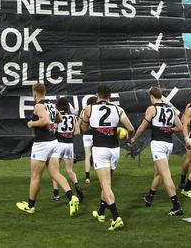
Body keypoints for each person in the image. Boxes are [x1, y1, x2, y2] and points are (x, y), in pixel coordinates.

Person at [16, 83, 79, 216]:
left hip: (42, 144)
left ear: (34, 93)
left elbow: (44, 120)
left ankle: (30, 206)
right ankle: (71, 197)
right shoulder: (51, 104)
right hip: (53, 142)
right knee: (55, 174)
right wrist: (52, 124)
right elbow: (60, 118)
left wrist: (31, 123)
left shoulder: (39, 105)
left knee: (35, 176)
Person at [80, 84, 135, 231]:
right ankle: (101, 212)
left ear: (97, 95)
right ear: (109, 96)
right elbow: (130, 129)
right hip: (114, 149)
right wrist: (118, 132)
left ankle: (116, 217)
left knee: (105, 185)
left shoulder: (89, 108)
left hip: (100, 149)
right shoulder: (118, 109)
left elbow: (84, 128)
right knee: (107, 183)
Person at [130, 86, 184, 216]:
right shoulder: (170, 108)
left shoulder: (152, 108)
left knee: (165, 174)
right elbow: (180, 127)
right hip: (168, 143)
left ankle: (176, 206)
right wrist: (168, 129)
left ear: (151, 96)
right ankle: (149, 197)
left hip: (158, 144)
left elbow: (143, 127)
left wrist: (134, 139)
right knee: (159, 172)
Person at [50, 97, 84, 203]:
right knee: (70, 170)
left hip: (58, 144)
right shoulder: (73, 117)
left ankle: (56, 195)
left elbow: (53, 129)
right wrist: (68, 134)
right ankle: (77, 186)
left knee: (55, 171)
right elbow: (78, 132)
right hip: (69, 145)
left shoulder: (57, 115)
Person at [80, 97, 97, 184]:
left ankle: (87, 177)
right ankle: (102, 174)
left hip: (86, 134)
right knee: (97, 154)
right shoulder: (96, 110)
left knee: (87, 156)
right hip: (95, 134)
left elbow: (79, 122)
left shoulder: (83, 111)